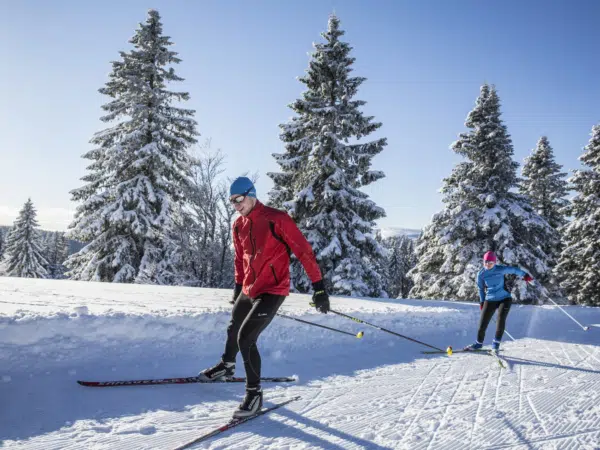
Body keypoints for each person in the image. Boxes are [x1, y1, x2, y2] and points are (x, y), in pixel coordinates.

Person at [198, 176, 330, 418]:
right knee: (233, 326)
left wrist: (319, 286)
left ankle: (254, 394)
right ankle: (227, 366)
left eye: (238, 199)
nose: (236, 205)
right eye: (232, 202)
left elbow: (303, 250)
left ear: (251, 194)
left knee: (246, 337)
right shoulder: (238, 225)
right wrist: (239, 287)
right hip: (250, 288)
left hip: (273, 289)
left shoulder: (276, 218)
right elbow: (240, 259)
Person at [464, 251, 533, 354]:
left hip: (504, 299)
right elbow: (480, 289)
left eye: (491, 263)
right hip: (490, 299)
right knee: (482, 324)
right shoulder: (481, 274)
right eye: (486, 262)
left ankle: (495, 344)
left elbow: (513, 270)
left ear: (494, 262)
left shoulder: (500, 269)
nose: (488, 264)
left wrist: (525, 275)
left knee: (500, 319)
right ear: (483, 262)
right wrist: (482, 302)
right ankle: (478, 343)